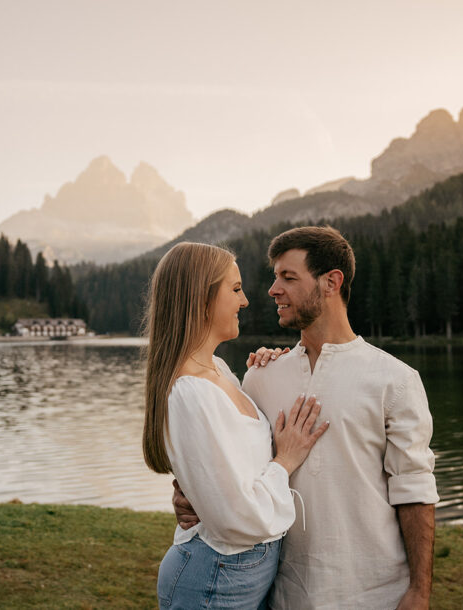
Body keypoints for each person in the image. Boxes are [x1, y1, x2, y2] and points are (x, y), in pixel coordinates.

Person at [173, 226, 439, 609]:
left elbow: (415, 491)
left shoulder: (395, 380)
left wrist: (419, 590)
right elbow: (231, 457)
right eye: (274, 276)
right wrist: (188, 490)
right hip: (282, 594)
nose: (272, 290)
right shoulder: (261, 375)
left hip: (374, 594)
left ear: (331, 282)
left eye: (288, 277)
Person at [142, 241, 330, 609]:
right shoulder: (190, 391)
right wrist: (285, 461)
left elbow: (230, 462)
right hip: (216, 576)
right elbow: (236, 518)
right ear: (201, 298)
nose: (245, 301)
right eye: (235, 289)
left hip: (235, 575)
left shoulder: (219, 371)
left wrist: (274, 365)